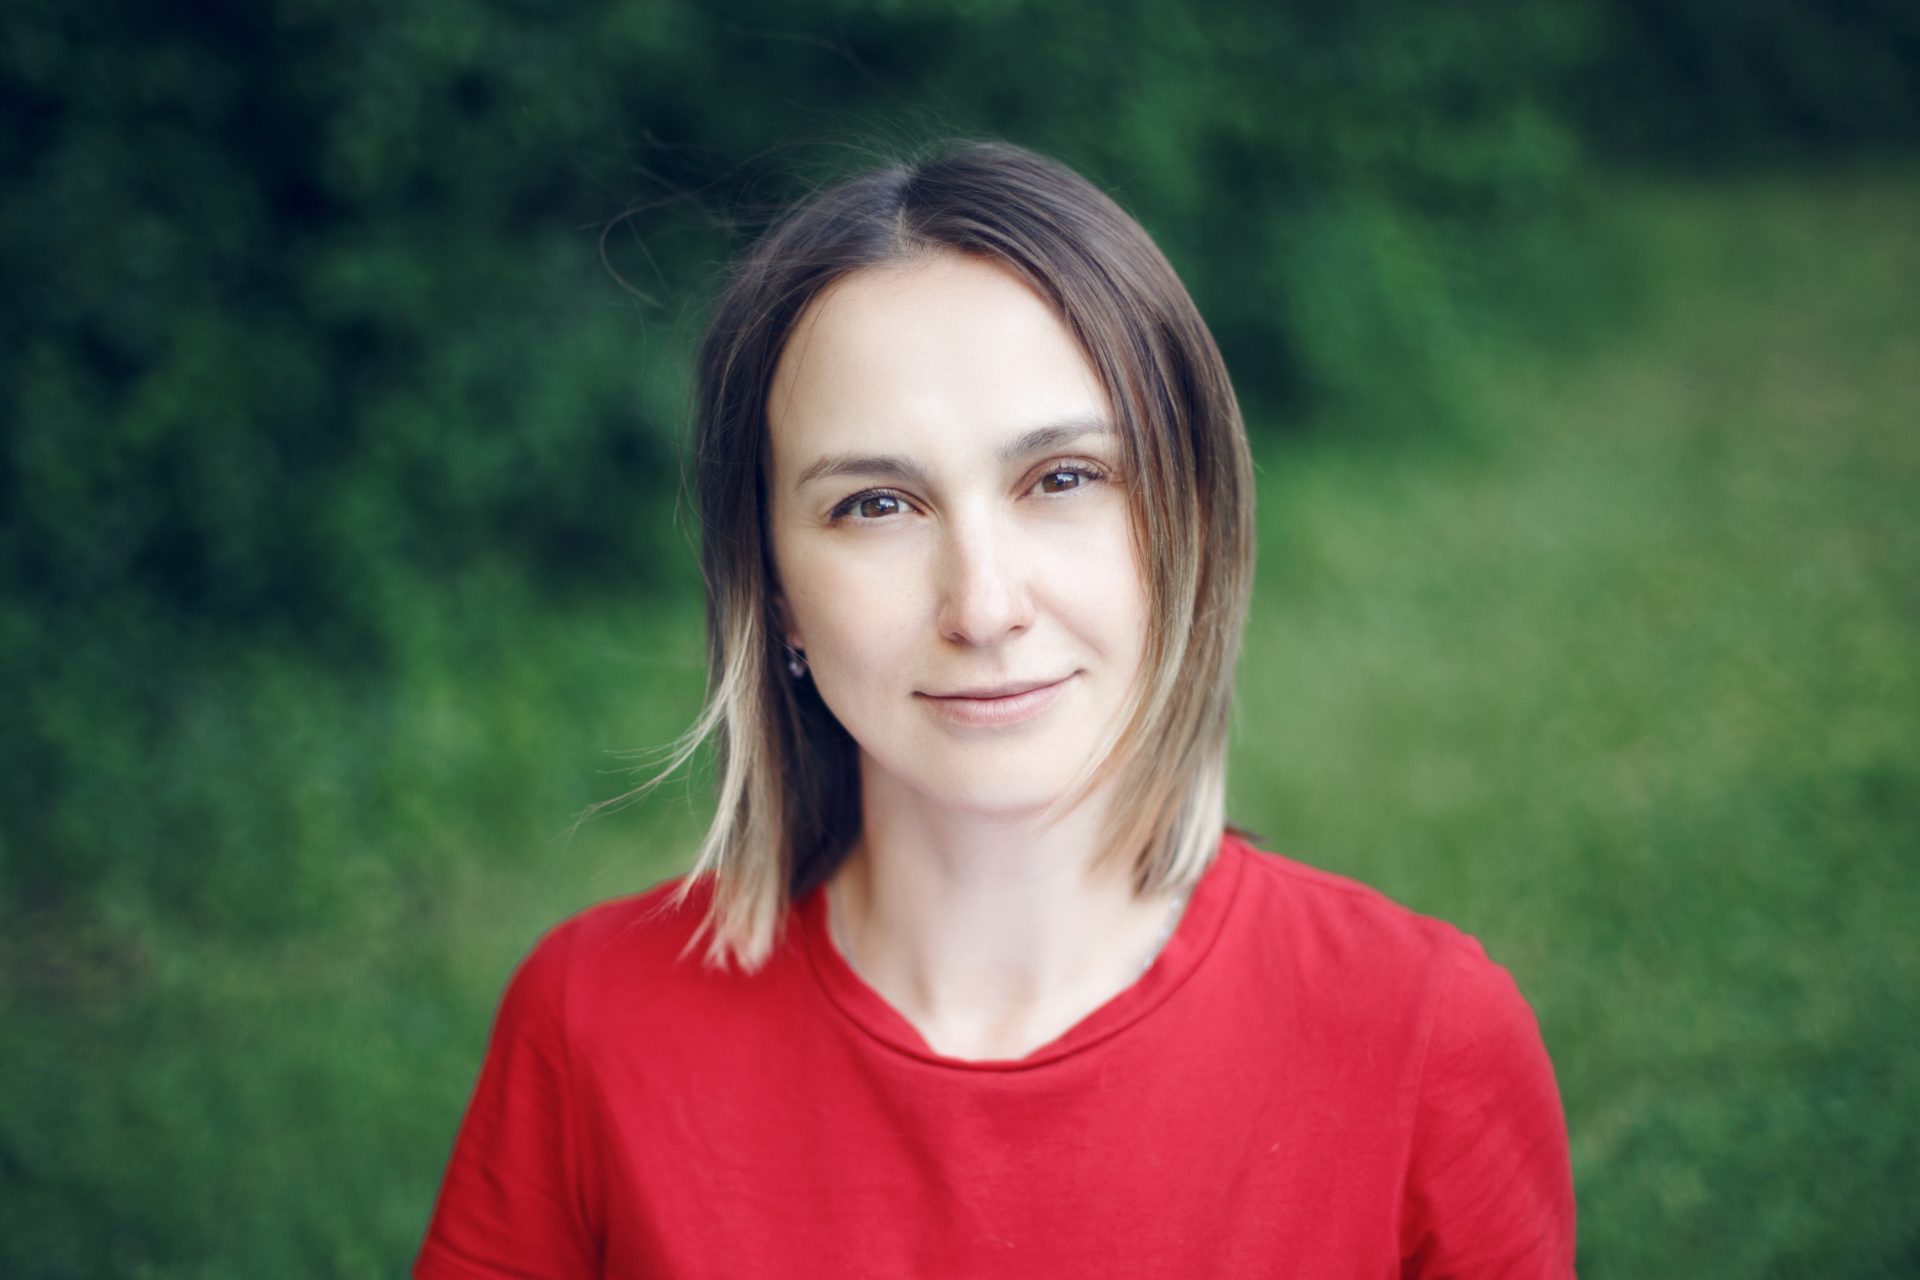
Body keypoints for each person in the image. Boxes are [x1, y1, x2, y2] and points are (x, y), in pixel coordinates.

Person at [414, 140, 1576, 1278]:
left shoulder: (1422, 1035)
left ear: (1194, 522)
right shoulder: (592, 1025)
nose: (982, 605)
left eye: (1063, 478)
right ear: (772, 592)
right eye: (876, 503)